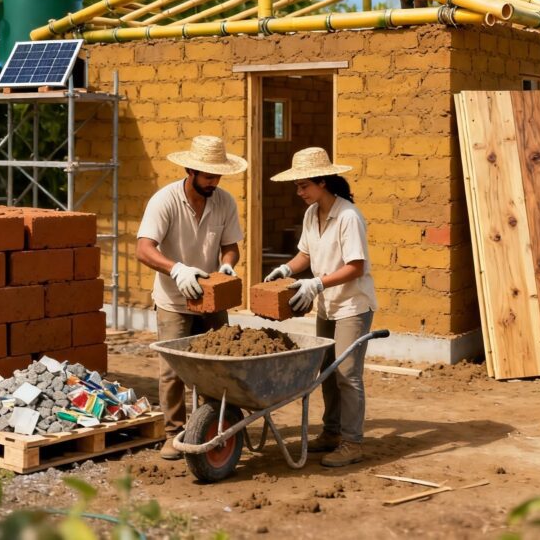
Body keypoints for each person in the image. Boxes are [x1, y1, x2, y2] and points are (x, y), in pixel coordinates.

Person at [136, 135, 247, 460]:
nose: (214, 181)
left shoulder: (223, 201)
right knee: (173, 370)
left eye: (218, 175)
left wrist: (227, 266)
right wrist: (177, 270)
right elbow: (143, 248)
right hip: (174, 298)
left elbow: (231, 246)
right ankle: (173, 433)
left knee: (217, 365)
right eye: (208, 176)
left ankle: (213, 425)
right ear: (191, 171)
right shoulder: (165, 201)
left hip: (212, 298)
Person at [266, 147, 377, 468]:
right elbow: (306, 255)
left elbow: (356, 266)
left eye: (304, 185)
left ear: (323, 182)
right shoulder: (311, 214)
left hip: (353, 306)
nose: (299, 192)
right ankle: (331, 433)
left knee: (347, 375)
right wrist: (287, 269)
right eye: (297, 186)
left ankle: (352, 442)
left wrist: (316, 283)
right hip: (328, 306)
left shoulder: (348, 217)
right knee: (326, 372)